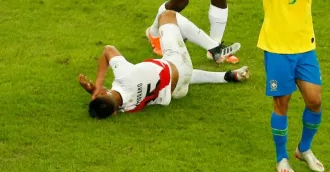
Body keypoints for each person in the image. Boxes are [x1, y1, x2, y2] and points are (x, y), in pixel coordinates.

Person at [244, 0, 330, 172]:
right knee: (282, 104)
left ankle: (303, 149)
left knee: (315, 101)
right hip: (277, 51)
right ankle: (281, 158)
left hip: (305, 50)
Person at [80, 10, 248, 119]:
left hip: (176, 91)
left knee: (180, 75)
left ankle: (228, 76)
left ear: (115, 112)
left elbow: (114, 99)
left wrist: (93, 89)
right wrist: (99, 83)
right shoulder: (124, 76)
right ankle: (214, 49)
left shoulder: (127, 108)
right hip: (177, 64)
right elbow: (108, 50)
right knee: (167, 15)